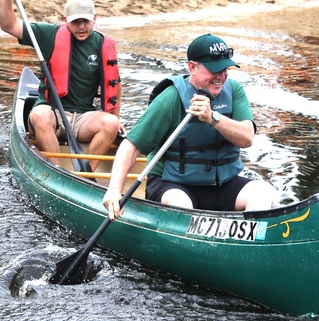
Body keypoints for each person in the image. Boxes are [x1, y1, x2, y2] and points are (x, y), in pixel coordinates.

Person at [102, 33, 274, 221]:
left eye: (225, 69)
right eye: (214, 70)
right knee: (181, 205)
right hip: (173, 184)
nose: (221, 77)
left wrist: (213, 118)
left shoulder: (234, 90)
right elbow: (131, 146)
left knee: (262, 193)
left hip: (221, 185)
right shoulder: (171, 97)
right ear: (192, 67)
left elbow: (247, 138)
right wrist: (114, 190)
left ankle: (249, 243)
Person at [0, 0, 122, 169]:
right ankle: (58, 172)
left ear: (94, 19)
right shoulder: (49, 35)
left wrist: (117, 117)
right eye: (75, 22)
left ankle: (86, 175)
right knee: (39, 115)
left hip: (83, 118)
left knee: (111, 124)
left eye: (86, 21)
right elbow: (8, 25)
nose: (81, 27)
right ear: (65, 20)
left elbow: (115, 84)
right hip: (52, 112)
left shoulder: (103, 45)